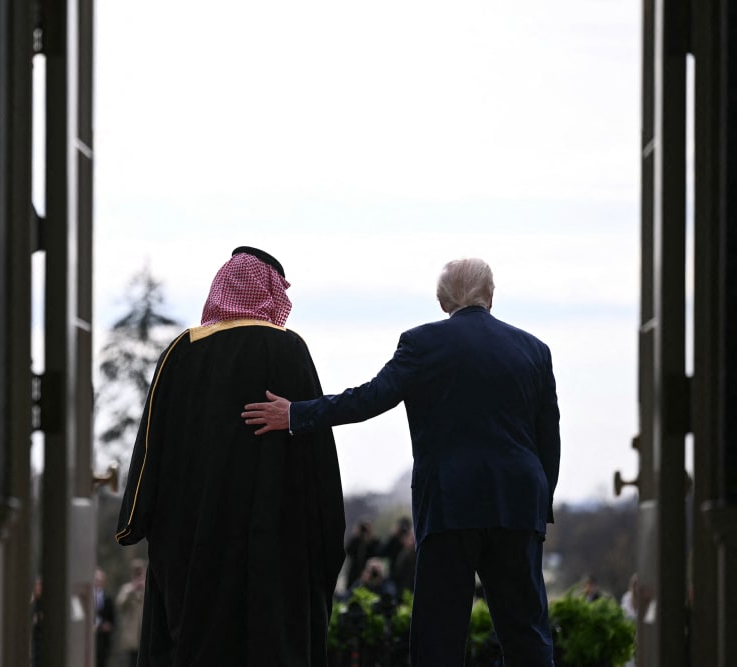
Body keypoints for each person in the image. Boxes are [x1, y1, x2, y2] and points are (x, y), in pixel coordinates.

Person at [242, 257, 561, 666]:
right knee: (527, 635)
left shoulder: (422, 343)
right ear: (491, 296)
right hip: (517, 505)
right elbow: (547, 439)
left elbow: (370, 398)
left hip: (449, 505)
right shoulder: (535, 350)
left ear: (442, 300)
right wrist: (538, 503)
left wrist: (295, 415)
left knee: (438, 637)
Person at [115, 246, 346, 666]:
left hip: (192, 533)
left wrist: (135, 518)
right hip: (275, 535)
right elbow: (318, 454)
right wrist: (328, 531)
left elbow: (150, 445)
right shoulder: (288, 350)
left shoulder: (181, 352)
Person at [115, 559, 146, 667]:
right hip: (132, 633)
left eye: (140, 571)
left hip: (145, 631)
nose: (138, 574)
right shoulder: (127, 589)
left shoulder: (148, 589)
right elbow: (119, 604)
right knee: (132, 661)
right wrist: (133, 589)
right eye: (136, 571)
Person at [94, 569, 115, 667]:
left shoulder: (108, 599)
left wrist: (109, 626)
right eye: (96, 579)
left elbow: (112, 620)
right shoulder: (87, 598)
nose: (97, 582)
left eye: (99, 579)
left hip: (103, 638)